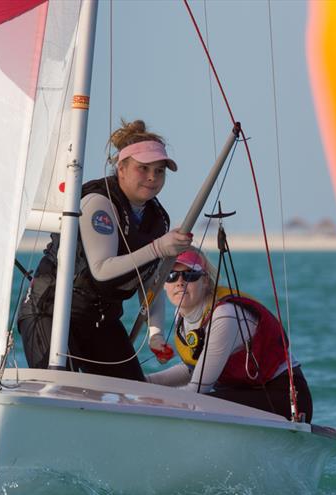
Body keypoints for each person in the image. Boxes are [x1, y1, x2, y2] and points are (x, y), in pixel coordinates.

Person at [18, 119, 192, 381]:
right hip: (50, 311)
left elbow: (150, 285)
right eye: (143, 168)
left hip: (99, 320)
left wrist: (155, 334)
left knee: (133, 391)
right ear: (121, 168)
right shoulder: (99, 203)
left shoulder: (157, 218)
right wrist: (158, 247)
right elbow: (101, 269)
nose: (152, 177)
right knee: (59, 388)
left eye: (159, 171)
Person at [146, 248, 314, 422]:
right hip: (244, 392)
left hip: (286, 399)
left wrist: (152, 400)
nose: (180, 282)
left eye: (190, 275)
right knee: (196, 402)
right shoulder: (182, 315)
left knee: (198, 404)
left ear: (205, 281)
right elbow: (193, 368)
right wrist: (147, 382)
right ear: (164, 284)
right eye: (172, 275)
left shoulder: (225, 316)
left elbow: (196, 390)